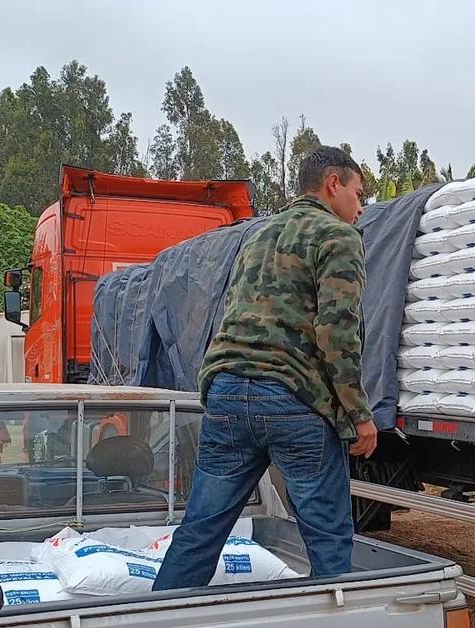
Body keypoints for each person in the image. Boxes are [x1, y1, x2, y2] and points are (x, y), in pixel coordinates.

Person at [153, 146, 377, 591]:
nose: (360, 207)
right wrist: (359, 415)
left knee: (200, 532)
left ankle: (156, 622)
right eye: (358, 194)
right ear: (333, 183)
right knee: (328, 541)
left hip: (227, 393)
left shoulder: (256, 236)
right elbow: (337, 333)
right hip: (293, 398)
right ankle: (336, 626)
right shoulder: (338, 237)